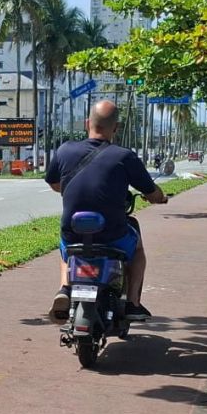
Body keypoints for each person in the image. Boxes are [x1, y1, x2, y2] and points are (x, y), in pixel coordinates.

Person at [45, 100, 167, 324]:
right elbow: (151, 192)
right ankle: (132, 304)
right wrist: (160, 198)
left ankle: (64, 288)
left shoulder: (65, 150)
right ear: (116, 128)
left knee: (65, 247)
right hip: (113, 236)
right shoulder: (124, 156)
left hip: (73, 232)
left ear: (87, 123)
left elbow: (53, 183)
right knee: (137, 249)